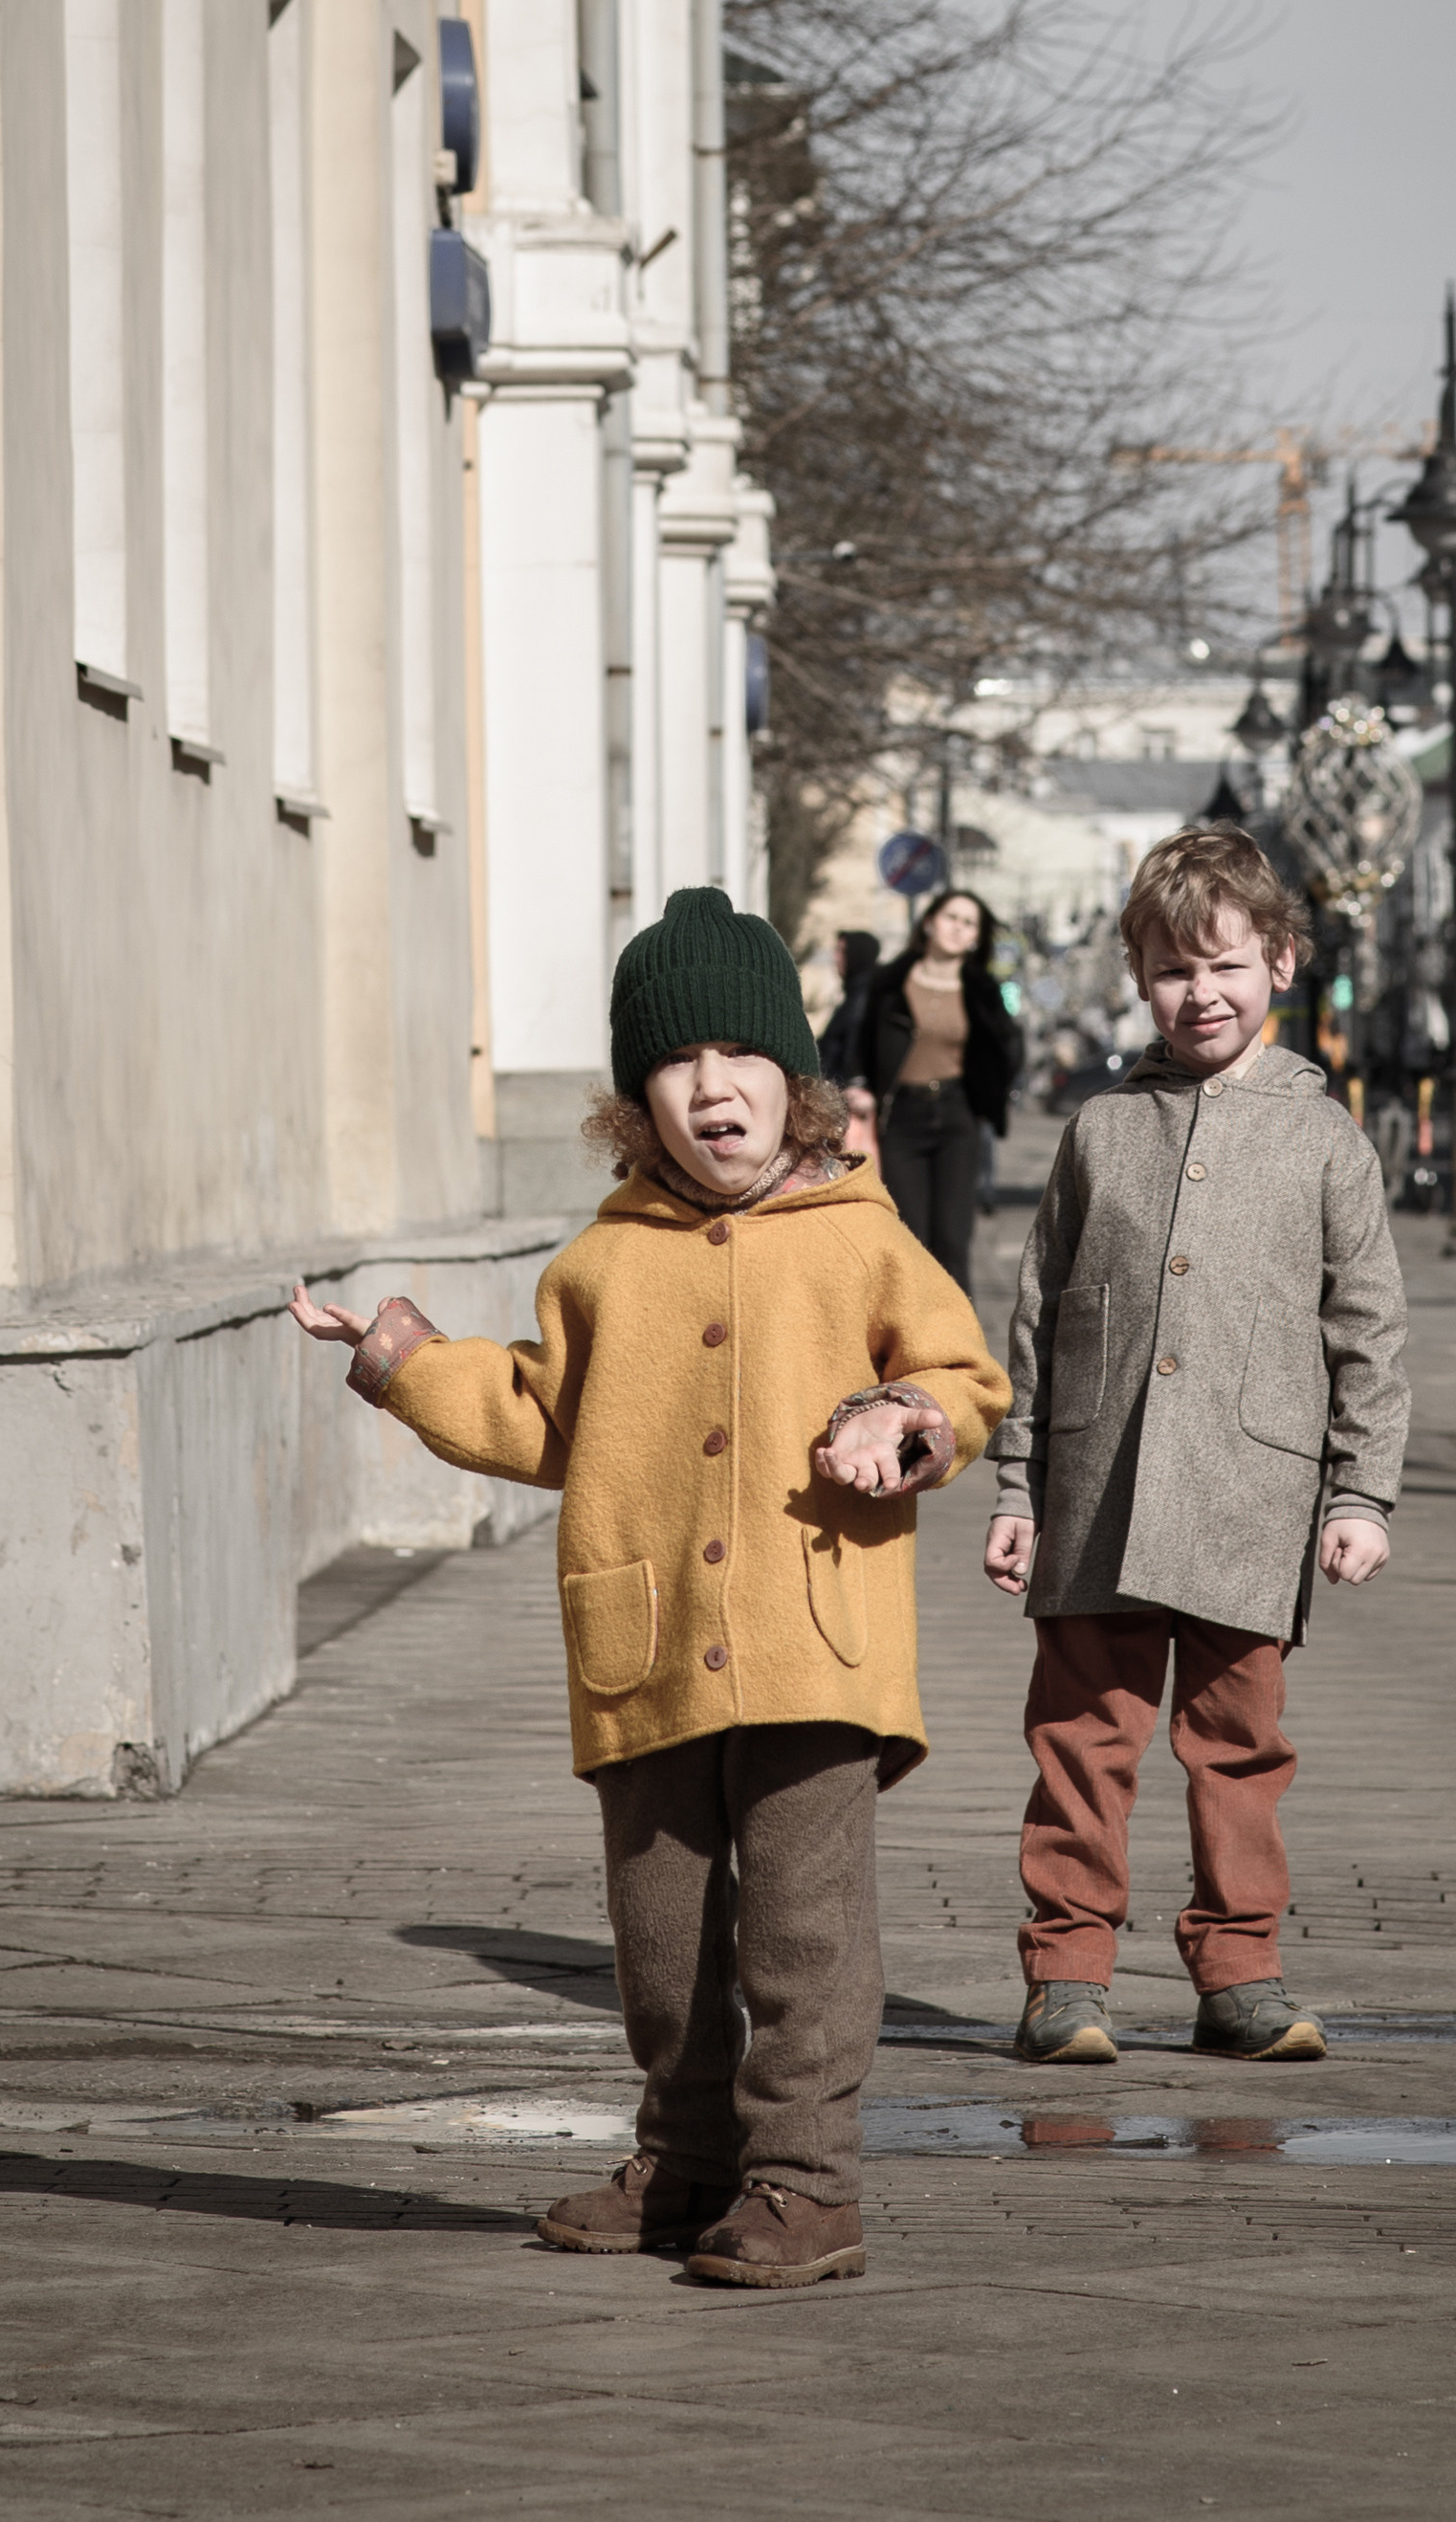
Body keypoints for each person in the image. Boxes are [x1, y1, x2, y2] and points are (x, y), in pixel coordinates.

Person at [290, 888, 1007, 2289]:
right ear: (636, 1105)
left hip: (816, 1641)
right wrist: (401, 1358)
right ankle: (685, 2162)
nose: (708, 1087)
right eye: (673, 1066)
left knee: (806, 1930)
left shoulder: (864, 1236)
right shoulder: (601, 1263)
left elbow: (965, 1379)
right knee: (661, 1934)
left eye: (738, 1058)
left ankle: (807, 2184)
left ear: (792, 1087)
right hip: (651, 1643)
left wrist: (902, 1416)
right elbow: (539, 1416)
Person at [982, 824, 1408, 2068]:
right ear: (1140, 978)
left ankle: (1240, 1973)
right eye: (1171, 969)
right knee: (1081, 1748)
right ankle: (1066, 1975)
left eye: (1223, 965)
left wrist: (1362, 1494)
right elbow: (1041, 1315)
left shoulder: (1324, 1136)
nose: (1199, 993)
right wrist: (1020, 1483)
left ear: (1280, 960)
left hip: (1250, 1500)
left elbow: (1368, 1330)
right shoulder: (1099, 1131)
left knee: (1239, 1753)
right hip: (1096, 1496)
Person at [846, 889, 1024, 1294]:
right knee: (910, 1237)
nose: (958, 928)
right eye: (951, 917)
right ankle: (909, 1345)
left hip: (957, 1116)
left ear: (976, 937)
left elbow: (1007, 1047)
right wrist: (860, 1086)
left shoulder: (982, 989)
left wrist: (991, 1094)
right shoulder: (888, 981)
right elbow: (862, 1042)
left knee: (952, 1239)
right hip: (902, 1118)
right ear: (929, 922)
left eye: (968, 923)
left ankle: (960, 1350)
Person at [817, 929, 884, 1166]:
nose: (836, 957)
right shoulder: (852, 993)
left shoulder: (864, 996)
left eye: (841, 951)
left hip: (853, 1101)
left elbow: (855, 1047)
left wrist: (856, 1082)